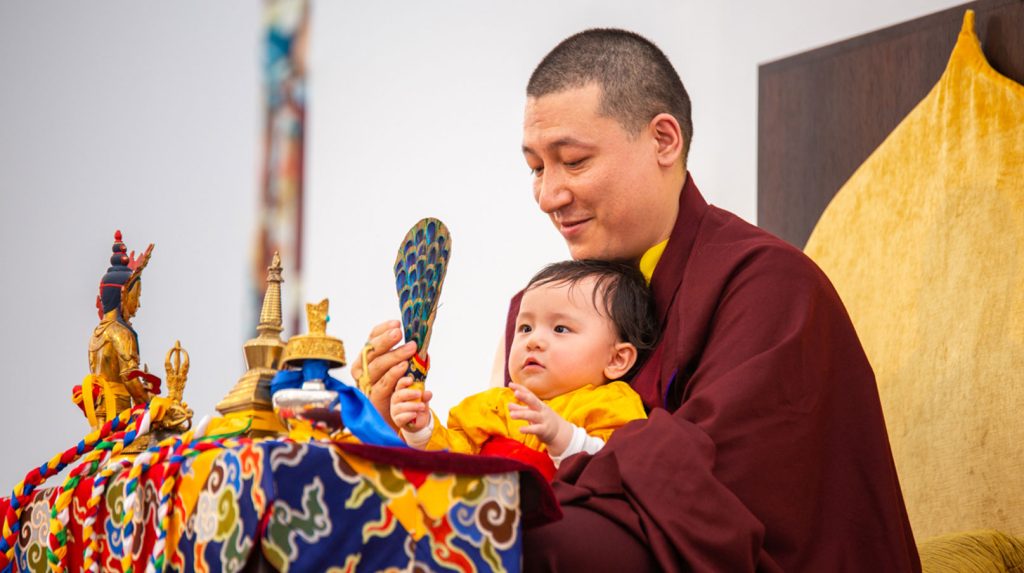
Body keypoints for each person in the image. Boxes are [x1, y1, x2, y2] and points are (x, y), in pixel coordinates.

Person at [354, 29, 920, 572]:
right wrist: (392, 428)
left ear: (664, 141)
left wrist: (555, 468)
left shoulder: (770, 286)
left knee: (508, 540)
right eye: (535, 167)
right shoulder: (536, 312)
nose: (549, 195)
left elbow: (722, 498)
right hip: (598, 521)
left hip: (680, 546)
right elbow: (491, 452)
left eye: (573, 161)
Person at [390, 260, 655, 480]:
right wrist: (421, 430)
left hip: (560, 527)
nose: (533, 341)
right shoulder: (493, 404)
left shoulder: (611, 403)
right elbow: (452, 459)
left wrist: (561, 436)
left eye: (561, 329)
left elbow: (617, 469)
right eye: (525, 328)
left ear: (616, 359)